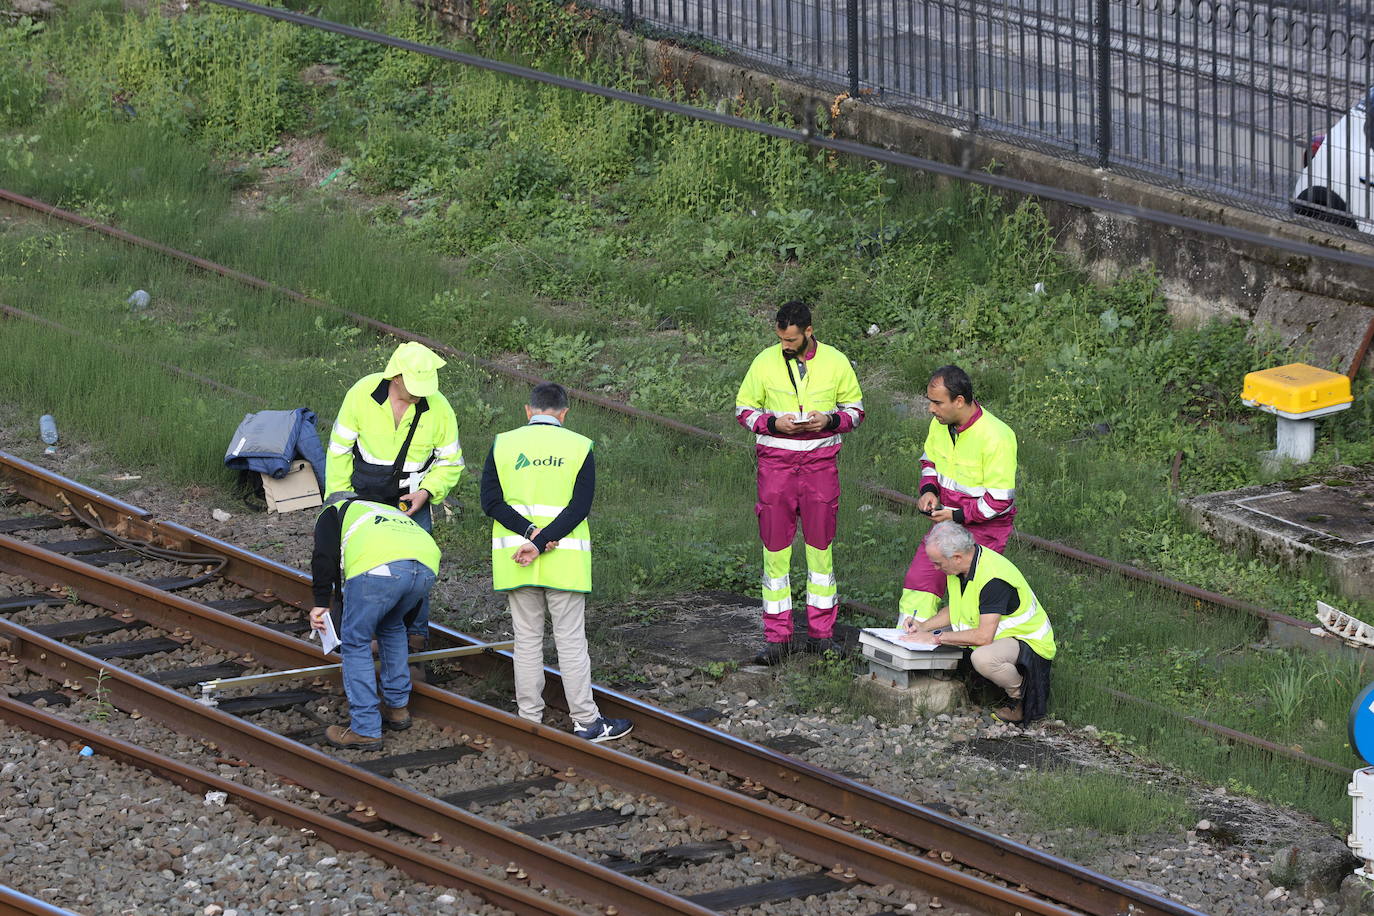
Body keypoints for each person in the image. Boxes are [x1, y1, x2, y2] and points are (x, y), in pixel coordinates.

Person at [480, 382, 632, 743]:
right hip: (564, 561)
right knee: (570, 641)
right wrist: (544, 541)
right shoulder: (580, 446)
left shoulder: (503, 443)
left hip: (516, 558)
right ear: (564, 414)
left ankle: (528, 719)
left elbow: (491, 502)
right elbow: (579, 508)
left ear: (528, 411)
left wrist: (530, 535)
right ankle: (586, 722)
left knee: (527, 640)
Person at [735, 300, 864, 665]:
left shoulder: (837, 362)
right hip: (775, 468)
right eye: (780, 338)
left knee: (821, 552)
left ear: (809, 330)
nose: (784, 345)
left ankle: (822, 635)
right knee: (775, 553)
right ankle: (778, 638)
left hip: (821, 467)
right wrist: (774, 425)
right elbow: (743, 410)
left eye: (790, 339)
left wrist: (830, 420)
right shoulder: (764, 361)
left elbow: (856, 410)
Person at [326, 341, 463, 650]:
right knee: (362, 566)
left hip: (411, 502)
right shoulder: (361, 395)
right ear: (396, 376)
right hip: (361, 498)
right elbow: (338, 451)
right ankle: (366, 634)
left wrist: (427, 492)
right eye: (414, 386)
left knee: (418, 568)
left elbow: (451, 462)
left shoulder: (438, 407)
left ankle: (414, 635)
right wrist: (338, 501)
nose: (420, 394)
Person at [309, 491, 440, 748]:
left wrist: (321, 604)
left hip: (379, 568)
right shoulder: (382, 510)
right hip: (426, 565)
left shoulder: (333, 511)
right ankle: (397, 709)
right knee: (392, 627)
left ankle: (366, 728)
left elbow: (324, 557)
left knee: (355, 641)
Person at [898, 365, 1017, 627]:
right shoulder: (940, 424)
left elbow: (1000, 501)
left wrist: (957, 514)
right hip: (948, 524)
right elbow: (930, 461)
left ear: (959, 401)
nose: (931, 409)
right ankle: (906, 648)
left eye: (937, 403)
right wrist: (929, 490)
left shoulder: (997, 437)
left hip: (985, 531)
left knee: (971, 597)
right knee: (921, 582)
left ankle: (965, 659)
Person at [901, 522, 1054, 723]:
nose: (935, 567)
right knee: (941, 637)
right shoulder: (960, 568)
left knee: (983, 659)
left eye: (938, 563)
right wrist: (923, 626)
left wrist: (935, 637)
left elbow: (983, 637)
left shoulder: (993, 579)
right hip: (1000, 634)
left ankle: (1023, 699)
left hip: (1029, 640)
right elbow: (958, 609)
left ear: (956, 557)